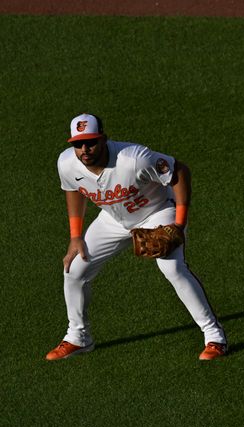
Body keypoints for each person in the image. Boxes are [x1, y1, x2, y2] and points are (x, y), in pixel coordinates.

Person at [46, 113, 227, 361]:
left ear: (103, 139)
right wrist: (75, 236)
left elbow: (179, 172)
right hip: (113, 219)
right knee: (74, 269)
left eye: (91, 142)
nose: (84, 149)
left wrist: (178, 225)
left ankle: (214, 336)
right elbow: (73, 189)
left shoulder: (133, 159)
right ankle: (79, 338)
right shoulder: (67, 163)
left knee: (172, 269)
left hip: (158, 211)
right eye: (78, 144)